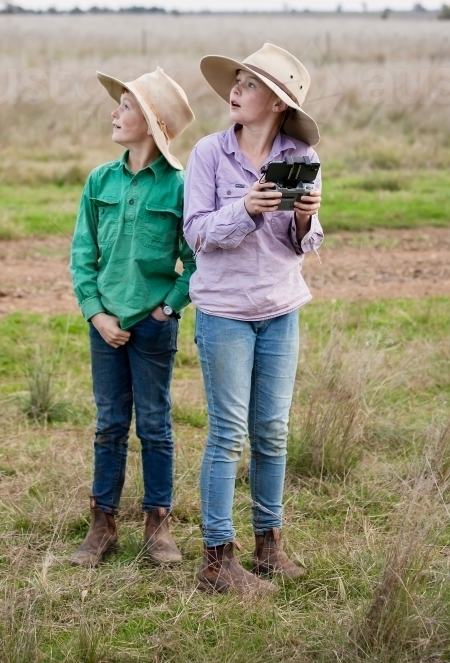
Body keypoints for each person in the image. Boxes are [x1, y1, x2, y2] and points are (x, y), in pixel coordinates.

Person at [183, 43, 323, 595]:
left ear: (278, 104)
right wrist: (244, 210)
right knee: (227, 434)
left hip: (280, 307)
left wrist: (303, 220)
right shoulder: (209, 154)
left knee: (272, 431)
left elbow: (303, 245)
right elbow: (195, 232)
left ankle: (269, 546)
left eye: (248, 85)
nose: (235, 92)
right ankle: (217, 560)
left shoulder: (303, 159)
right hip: (224, 310)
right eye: (237, 82)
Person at [70, 66, 195, 567]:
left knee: (156, 424)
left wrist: (167, 308)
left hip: (152, 324)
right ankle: (102, 525)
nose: (114, 114)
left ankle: (157, 525)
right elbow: (83, 257)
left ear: (152, 122)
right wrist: (96, 313)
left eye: (125, 106)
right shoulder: (100, 180)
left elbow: (197, 262)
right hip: (106, 323)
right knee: (109, 422)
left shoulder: (180, 187)